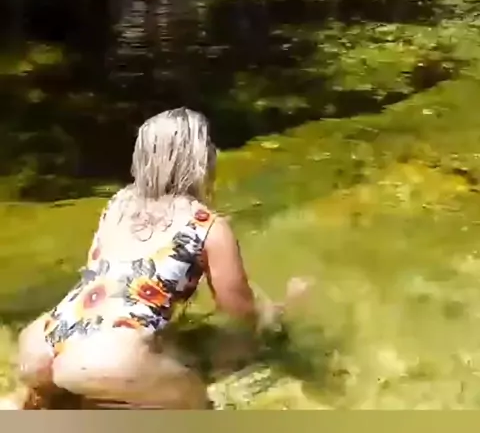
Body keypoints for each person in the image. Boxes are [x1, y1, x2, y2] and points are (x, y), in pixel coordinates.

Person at [3, 108, 309, 410]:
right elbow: (239, 311)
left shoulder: (119, 204)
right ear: (202, 163)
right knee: (199, 402)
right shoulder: (206, 226)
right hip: (105, 356)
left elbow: (107, 285)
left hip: (42, 344)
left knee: (54, 402)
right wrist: (279, 314)